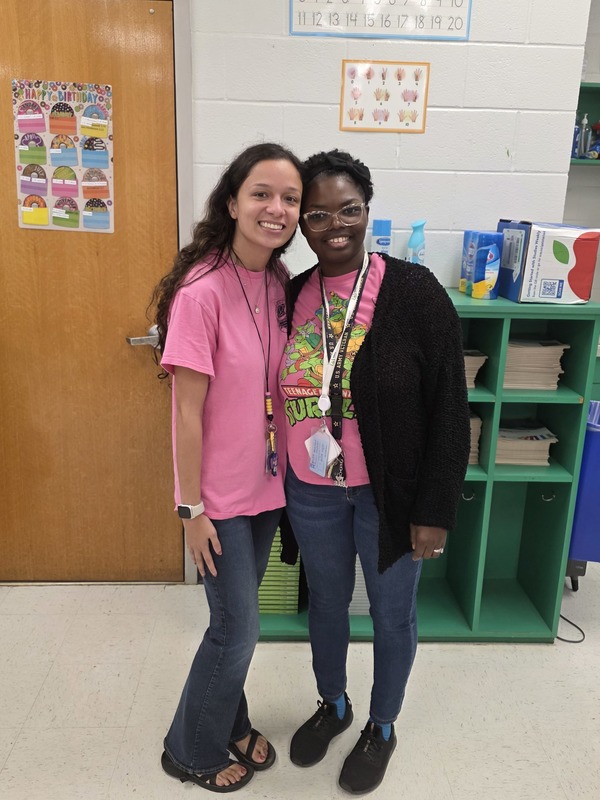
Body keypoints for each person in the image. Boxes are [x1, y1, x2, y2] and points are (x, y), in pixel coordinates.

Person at [280, 149, 470, 795]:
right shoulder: (291, 294)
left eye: (349, 210)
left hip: (391, 496)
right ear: (302, 224)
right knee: (327, 601)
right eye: (318, 215)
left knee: (392, 615)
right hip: (312, 490)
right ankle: (333, 704)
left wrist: (434, 509)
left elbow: (449, 404)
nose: (336, 225)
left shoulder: (413, 291)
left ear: (367, 211)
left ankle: (381, 726)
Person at [153, 142, 303, 792]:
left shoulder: (275, 284)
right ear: (234, 201)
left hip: (266, 488)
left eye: (290, 198)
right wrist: (190, 510)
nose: (276, 208)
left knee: (241, 625)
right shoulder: (201, 291)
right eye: (262, 194)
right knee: (236, 628)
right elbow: (186, 415)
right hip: (215, 500)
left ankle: (230, 719)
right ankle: (188, 749)